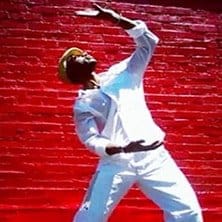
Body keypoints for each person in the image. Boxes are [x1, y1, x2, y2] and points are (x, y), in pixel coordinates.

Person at [58, 4, 203, 222]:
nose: (85, 53)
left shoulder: (123, 73)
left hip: (155, 157)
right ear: (72, 72)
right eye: (77, 57)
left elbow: (148, 43)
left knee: (187, 212)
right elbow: (90, 138)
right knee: (90, 217)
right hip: (117, 163)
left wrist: (116, 19)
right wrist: (119, 147)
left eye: (83, 52)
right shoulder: (83, 104)